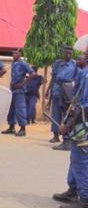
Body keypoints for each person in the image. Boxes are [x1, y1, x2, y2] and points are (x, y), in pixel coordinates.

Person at [52, 55, 88, 208]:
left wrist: (68, 126)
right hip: (81, 121)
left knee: (81, 160)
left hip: (83, 123)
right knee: (75, 157)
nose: (81, 57)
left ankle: (85, 198)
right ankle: (73, 190)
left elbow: (85, 107)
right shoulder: (83, 73)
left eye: (85, 55)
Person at [46, 45, 78, 150]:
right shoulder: (57, 63)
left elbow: (76, 79)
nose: (68, 54)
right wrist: (48, 91)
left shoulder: (74, 64)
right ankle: (56, 135)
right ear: (63, 53)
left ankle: (67, 138)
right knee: (56, 114)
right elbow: (53, 78)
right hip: (57, 91)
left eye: (70, 53)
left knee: (67, 115)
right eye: (66, 52)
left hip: (68, 91)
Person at [1, 49, 35, 137]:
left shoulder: (23, 63)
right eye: (13, 53)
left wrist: (23, 83)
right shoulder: (14, 63)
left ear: (20, 54)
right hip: (12, 90)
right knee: (11, 109)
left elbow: (32, 73)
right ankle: (11, 127)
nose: (14, 55)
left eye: (16, 53)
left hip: (20, 90)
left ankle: (23, 129)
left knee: (20, 109)